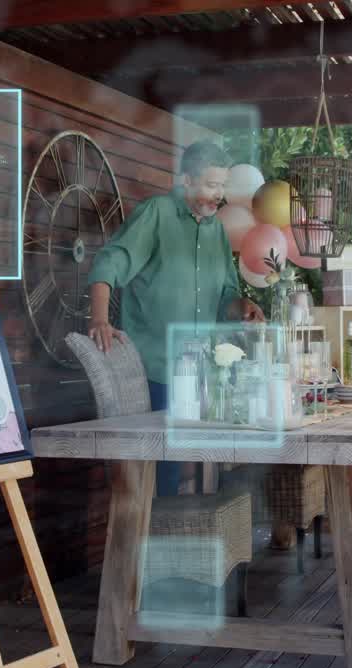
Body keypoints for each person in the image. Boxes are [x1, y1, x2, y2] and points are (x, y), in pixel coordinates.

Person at [86, 141, 264, 496]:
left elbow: (225, 296)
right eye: (212, 186)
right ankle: (150, 541)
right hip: (156, 371)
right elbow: (110, 261)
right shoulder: (157, 213)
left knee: (222, 463)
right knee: (161, 477)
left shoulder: (215, 230)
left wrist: (242, 306)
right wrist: (100, 319)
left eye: (222, 187)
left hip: (201, 375)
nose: (219, 196)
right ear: (186, 180)